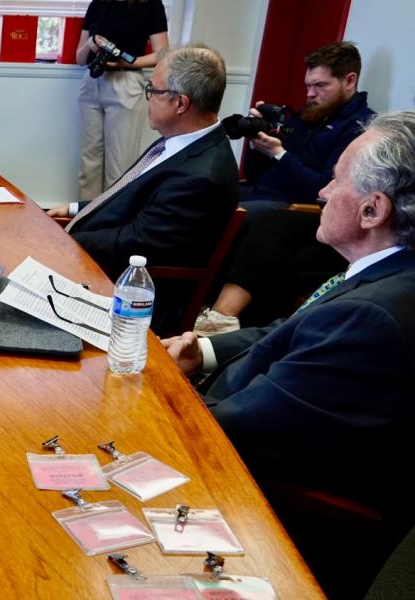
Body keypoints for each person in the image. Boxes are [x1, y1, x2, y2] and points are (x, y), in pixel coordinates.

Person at [162, 111, 415, 597]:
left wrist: (161, 396)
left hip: (281, 508)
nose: (321, 192)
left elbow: (242, 427)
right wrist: (205, 352)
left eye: (336, 180)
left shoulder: (371, 316)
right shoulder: (385, 277)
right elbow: (295, 331)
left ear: (372, 210)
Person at [195, 41, 375, 334]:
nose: (310, 94)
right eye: (308, 85)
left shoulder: (359, 128)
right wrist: (259, 145)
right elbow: (258, 175)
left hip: (300, 210)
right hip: (264, 195)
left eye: (320, 86)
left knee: (256, 217)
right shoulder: (308, 117)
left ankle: (218, 318)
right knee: (205, 193)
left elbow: (324, 189)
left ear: (350, 80)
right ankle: (187, 297)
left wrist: (280, 154)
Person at [49, 44, 238, 281]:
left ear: (180, 103)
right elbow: (132, 198)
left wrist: (64, 241)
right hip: (99, 257)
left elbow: (138, 241)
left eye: (153, 90)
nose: (147, 97)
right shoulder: (180, 142)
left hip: (126, 289)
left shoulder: (200, 177)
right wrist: (76, 208)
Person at [76, 0, 169, 201]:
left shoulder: (150, 5)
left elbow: (162, 53)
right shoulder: (97, 4)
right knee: (88, 163)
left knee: (119, 166)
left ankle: (112, 224)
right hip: (92, 82)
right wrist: (91, 44)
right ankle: (84, 222)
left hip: (126, 81)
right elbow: (80, 58)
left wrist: (129, 60)